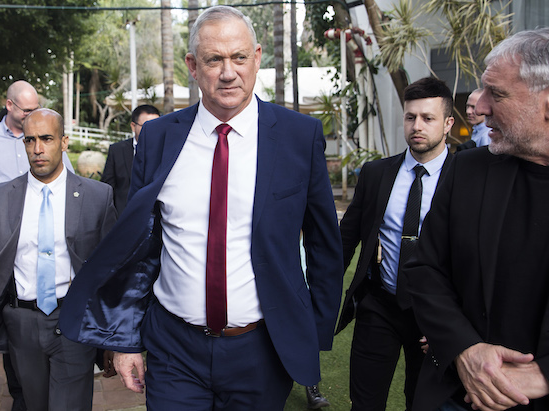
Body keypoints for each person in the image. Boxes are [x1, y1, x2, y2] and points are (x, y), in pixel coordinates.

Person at [60, 5, 343, 409]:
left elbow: (324, 246)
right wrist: (125, 342)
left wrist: (312, 333)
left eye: (239, 57)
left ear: (257, 58)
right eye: (214, 59)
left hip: (261, 349)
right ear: (193, 65)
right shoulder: (158, 138)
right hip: (174, 349)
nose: (229, 72)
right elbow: (139, 251)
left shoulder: (300, 136)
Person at [405, 28, 549, 411]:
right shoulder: (467, 170)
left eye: (496, 94)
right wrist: (465, 349)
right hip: (459, 398)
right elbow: (425, 269)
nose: (478, 106)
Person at [0, 108, 116, 409]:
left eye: (46, 138)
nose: (38, 149)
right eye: (30, 140)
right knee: (33, 404)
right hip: (21, 323)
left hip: (73, 322)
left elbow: (111, 274)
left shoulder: (98, 197)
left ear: (63, 142)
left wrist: (114, 339)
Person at [337, 77, 454, 411]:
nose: (417, 126)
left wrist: (454, 325)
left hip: (434, 315)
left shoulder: (465, 177)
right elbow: (347, 238)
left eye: (428, 118)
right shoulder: (376, 174)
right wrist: (323, 291)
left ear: (447, 123)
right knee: (365, 402)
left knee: (422, 402)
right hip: (379, 305)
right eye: (410, 117)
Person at [100, 104, 160, 214]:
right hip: (124, 216)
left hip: (157, 219)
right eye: (147, 126)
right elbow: (107, 188)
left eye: (156, 126)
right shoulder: (117, 150)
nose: (152, 131)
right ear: (133, 126)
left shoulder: (165, 150)